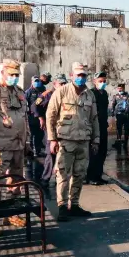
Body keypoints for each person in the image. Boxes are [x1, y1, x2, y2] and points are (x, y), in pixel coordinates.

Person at [0, 59, 32, 229]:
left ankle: (11, 215)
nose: (14, 77)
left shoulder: (20, 92)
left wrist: (27, 141)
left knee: (16, 182)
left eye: (17, 75)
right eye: (11, 75)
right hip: (0, 148)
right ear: (3, 73)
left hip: (18, 146)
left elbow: (25, 119)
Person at [46, 62, 99, 222]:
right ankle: (62, 207)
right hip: (66, 141)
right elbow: (51, 115)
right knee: (63, 174)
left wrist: (96, 139)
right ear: (71, 76)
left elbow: (94, 119)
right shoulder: (61, 92)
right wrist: (52, 139)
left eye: (83, 76)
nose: (81, 78)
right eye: (78, 75)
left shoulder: (90, 95)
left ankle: (74, 205)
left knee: (79, 174)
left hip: (83, 142)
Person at [39, 73, 67, 187]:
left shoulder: (67, 94)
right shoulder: (48, 94)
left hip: (63, 128)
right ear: (55, 84)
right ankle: (45, 178)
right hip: (51, 128)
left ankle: (60, 177)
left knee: (63, 154)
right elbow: (35, 106)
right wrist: (41, 118)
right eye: (61, 83)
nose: (63, 85)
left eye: (65, 83)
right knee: (51, 153)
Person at [86, 71, 109, 185]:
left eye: (104, 81)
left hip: (103, 126)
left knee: (103, 152)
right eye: (100, 81)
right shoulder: (90, 93)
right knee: (94, 152)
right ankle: (90, 177)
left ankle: (98, 175)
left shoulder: (104, 93)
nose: (103, 83)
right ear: (95, 81)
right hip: (94, 127)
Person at [25, 75, 46, 157]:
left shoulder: (43, 90)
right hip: (32, 117)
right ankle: (31, 151)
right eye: (35, 81)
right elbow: (24, 102)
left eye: (38, 81)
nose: (37, 83)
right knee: (32, 135)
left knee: (40, 134)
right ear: (32, 82)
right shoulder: (29, 92)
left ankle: (38, 150)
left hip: (41, 116)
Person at [111, 83, 129, 149]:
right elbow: (113, 104)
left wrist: (128, 113)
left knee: (127, 129)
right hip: (119, 115)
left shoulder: (128, 96)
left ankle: (125, 143)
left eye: (121, 88)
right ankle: (119, 142)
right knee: (118, 129)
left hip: (126, 115)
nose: (120, 89)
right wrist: (113, 112)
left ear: (123, 88)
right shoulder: (116, 96)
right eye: (119, 88)